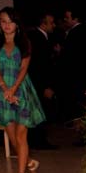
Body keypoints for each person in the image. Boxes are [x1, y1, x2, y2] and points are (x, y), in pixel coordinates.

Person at [0, 7, 45, 173]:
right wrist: (5, 89)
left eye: (10, 21)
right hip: (2, 92)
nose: (6, 25)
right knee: (13, 139)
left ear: (17, 24)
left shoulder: (25, 43)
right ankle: (30, 163)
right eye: (3, 21)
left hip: (21, 91)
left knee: (21, 137)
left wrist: (13, 89)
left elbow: (23, 70)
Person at [27, 12, 58, 150]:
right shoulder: (38, 38)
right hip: (39, 83)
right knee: (40, 110)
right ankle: (39, 141)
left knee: (39, 111)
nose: (54, 25)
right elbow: (40, 66)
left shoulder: (40, 37)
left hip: (38, 82)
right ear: (43, 24)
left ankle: (38, 140)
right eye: (51, 22)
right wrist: (46, 86)